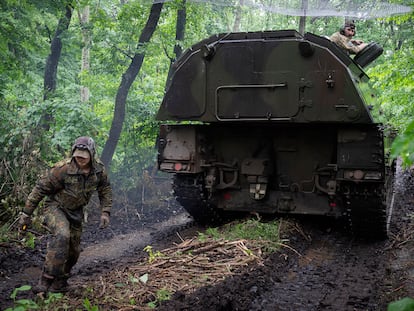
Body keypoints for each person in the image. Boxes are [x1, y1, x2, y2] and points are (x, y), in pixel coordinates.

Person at [19, 136, 112, 293]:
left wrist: (105, 212)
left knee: (74, 251)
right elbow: (40, 189)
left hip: (76, 212)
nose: (80, 159)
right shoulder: (62, 169)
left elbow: (105, 189)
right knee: (62, 236)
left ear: (91, 154)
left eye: (84, 155)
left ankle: (61, 282)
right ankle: (46, 279)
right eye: (78, 155)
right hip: (56, 207)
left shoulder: (99, 171)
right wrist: (26, 213)